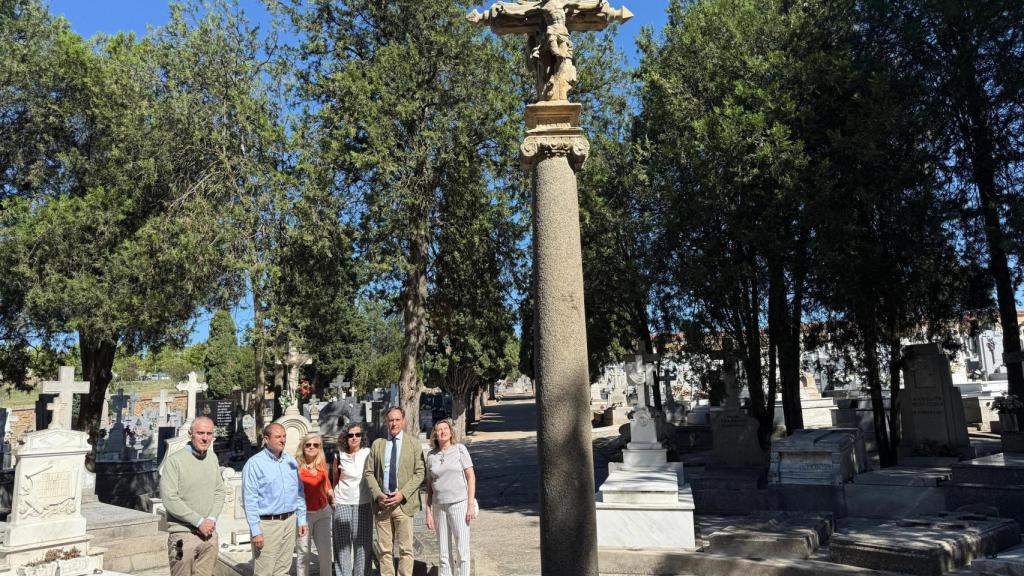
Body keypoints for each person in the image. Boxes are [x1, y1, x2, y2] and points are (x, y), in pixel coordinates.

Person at [159, 416, 225, 576]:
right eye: (201, 433)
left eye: (209, 434)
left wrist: (211, 519)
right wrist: (199, 521)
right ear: (190, 434)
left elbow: (219, 491)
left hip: (209, 535)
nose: (205, 438)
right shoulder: (175, 461)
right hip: (183, 534)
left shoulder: (212, 458)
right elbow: (170, 498)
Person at [364, 407, 425, 576]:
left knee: (406, 550)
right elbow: (369, 472)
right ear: (386, 422)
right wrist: (378, 494)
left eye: (397, 420)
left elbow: (420, 473)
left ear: (403, 421)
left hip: (403, 505)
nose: (394, 423)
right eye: (391, 420)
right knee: (385, 551)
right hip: (383, 505)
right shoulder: (378, 444)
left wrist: (402, 494)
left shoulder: (413, 443)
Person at [243, 423, 308, 576]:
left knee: (283, 570)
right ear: (266, 439)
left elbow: (299, 492)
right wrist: (255, 531)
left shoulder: (290, 461)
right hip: (267, 525)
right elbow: (249, 500)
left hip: (290, 521)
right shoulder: (254, 464)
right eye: (278, 436)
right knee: (264, 572)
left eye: (284, 436)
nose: (282, 440)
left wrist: (302, 518)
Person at [425, 419, 476, 576]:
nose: (442, 431)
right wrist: (428, 512)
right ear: (435, 434)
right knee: (443, 553)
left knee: (462, 550)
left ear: (450, 431)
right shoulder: (431, 456)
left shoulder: (460, 450)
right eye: (439, 429)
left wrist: (470, 505)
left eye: (445, 428)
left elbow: (471, 477)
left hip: (458, 504)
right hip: (439, 506)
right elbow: (429, 486)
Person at [331, 422, 372, 576]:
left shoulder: (368, 453)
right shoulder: (339, 455)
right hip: (342, 502)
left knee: (363, 544)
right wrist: (333, 501)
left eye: (357, 435)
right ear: (345, 437)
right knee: (342, 545)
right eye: (350, 435)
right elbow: (335, 479)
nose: (354, 438)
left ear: (362, 437)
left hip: (364, 502)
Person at [295, 433, 334, 576]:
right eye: (308, 444)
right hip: (303, 516)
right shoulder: (296, 467)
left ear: (319, 448)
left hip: (322, 513)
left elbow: (326, 485)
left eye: (315, 445)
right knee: (303, 554)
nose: (312, 447)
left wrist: (331, 495)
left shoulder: (322, 465)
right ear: (303, 446)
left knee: (325, 553)